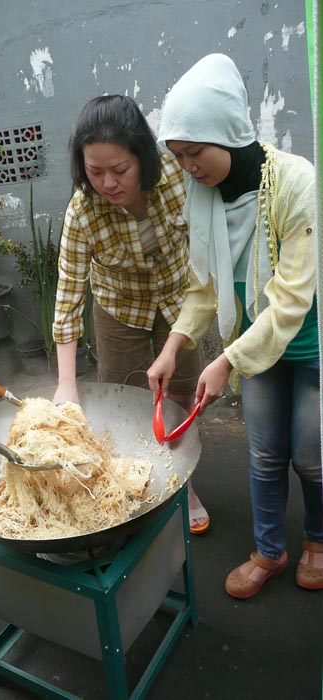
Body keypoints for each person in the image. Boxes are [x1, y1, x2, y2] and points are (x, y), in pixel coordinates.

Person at [148, 53, 321, 599]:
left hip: (309, 343)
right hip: (257, 349)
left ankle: (318, 541)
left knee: (313, 456)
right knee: (266, 454)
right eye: (178, 156)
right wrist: (175, 345)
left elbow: (292, 302)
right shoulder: (203, 196)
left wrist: (225, 360)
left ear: (226, 129)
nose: (188, 167)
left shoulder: (295, 181)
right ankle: (269, 551)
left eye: (195, 151)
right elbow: (204, 291)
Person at [52, 94, 208, 534]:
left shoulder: (177, 176)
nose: (108, 183)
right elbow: (67, 295)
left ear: (143, 156)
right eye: (95, 171)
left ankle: (184, 484)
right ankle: (134, 485)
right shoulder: (83, 212)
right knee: (124, 401)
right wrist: (66, 383)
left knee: (179, 395)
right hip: (119, 310)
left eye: (120, 170)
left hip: (180, 302)